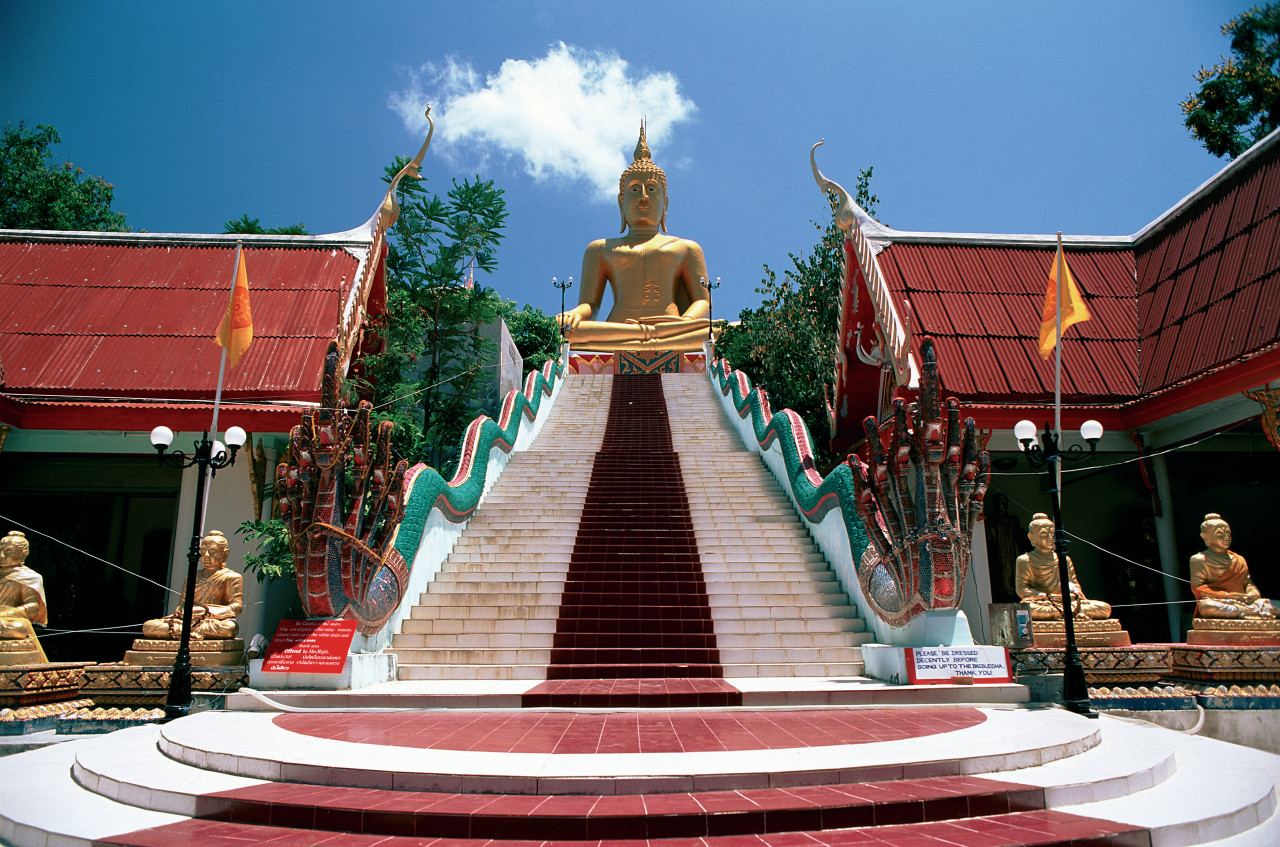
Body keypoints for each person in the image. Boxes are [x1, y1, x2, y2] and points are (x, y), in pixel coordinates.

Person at [555, 124, 713, 352]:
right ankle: (650, 338)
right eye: (635, 190)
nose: (643, 198)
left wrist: (685, 322)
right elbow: (590, 305)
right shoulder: (600, 249)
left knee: (725, 329)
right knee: (567, 331)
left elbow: (703, 302)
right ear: (621, 203)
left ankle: (653, 337)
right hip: (621, 329)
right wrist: (574, 314)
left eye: (652, 190)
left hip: (673, 329)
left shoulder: (686, 248)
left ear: (665, 204)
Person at [142, 530, 244, 640]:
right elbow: (182, 604)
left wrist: (206, 612)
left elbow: (236, 608)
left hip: (212, 621)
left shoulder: (231, 577)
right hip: (186, 621)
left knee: (230, 628)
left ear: (225, 554)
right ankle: (187, 631)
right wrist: (184, 611)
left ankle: (187, 632)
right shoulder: (192, 577)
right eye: (203, 551)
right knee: (148, 626)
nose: (206, 555)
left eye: (212, 551)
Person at [1015, 513, 1112, 620]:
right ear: (1031, 537)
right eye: (1043, 534)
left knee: (1105, 608)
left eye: (1052, 533)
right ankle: (1069, 614)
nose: (1049, 538)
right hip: (1044, 602)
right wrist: (1045, 596)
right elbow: (1022, 589)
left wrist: (1075, 594)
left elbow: (1074, 584)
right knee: (1027, 609)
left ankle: (1064, 614)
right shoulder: (1025, 560)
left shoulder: (1064, 559)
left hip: (1067, 602)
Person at [1190, 513, 1277, 619]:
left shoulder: (1239, 559)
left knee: (1276, 605)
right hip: (1221, 602)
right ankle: (1251, 613)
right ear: (1205, 536)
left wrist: (1253, 593)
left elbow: (1248, 583)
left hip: (1244, 602)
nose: (1226, 537)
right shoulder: (1199, 559)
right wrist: (1227, 596)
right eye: (1219, 533)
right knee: (1206, 606)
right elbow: (1199, 589)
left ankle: (1248, 612)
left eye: (1228, 533)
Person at [0, 531, 48, 642]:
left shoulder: (29, 577)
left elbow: (33, 607)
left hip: (8, 620)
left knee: (20, 627)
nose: (1, 555)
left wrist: (5, 612)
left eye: (8, 551)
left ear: (23, 554)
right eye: (0, 550)